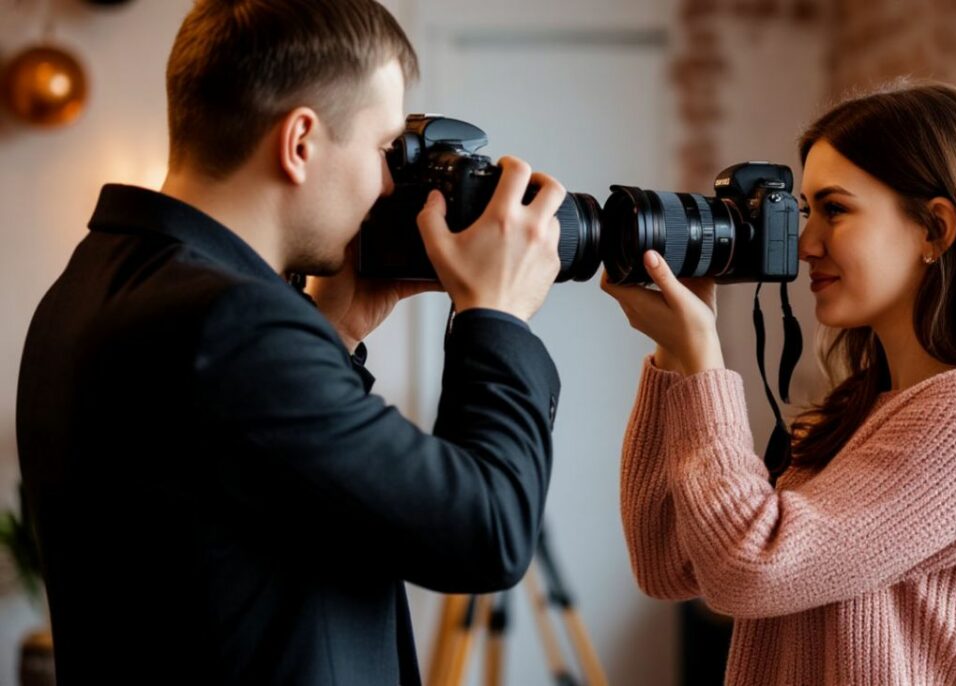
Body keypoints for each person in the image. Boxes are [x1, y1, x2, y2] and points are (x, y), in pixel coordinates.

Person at [15, 1, 565, 683]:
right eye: (385, 150)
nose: (389, 183)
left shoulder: (91, 282)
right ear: (300, 141)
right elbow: (489, 532)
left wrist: (335, 331)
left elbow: (247, 508)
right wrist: (497, 315)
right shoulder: (234, 324)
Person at [602, 81, 956, 684]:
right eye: (805, 211)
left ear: (935, 229)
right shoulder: (861, 412)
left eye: (835, 210)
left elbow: (750, 569)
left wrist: (703, 358)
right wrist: (675, 355)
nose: (805, 244)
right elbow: (666, 563)